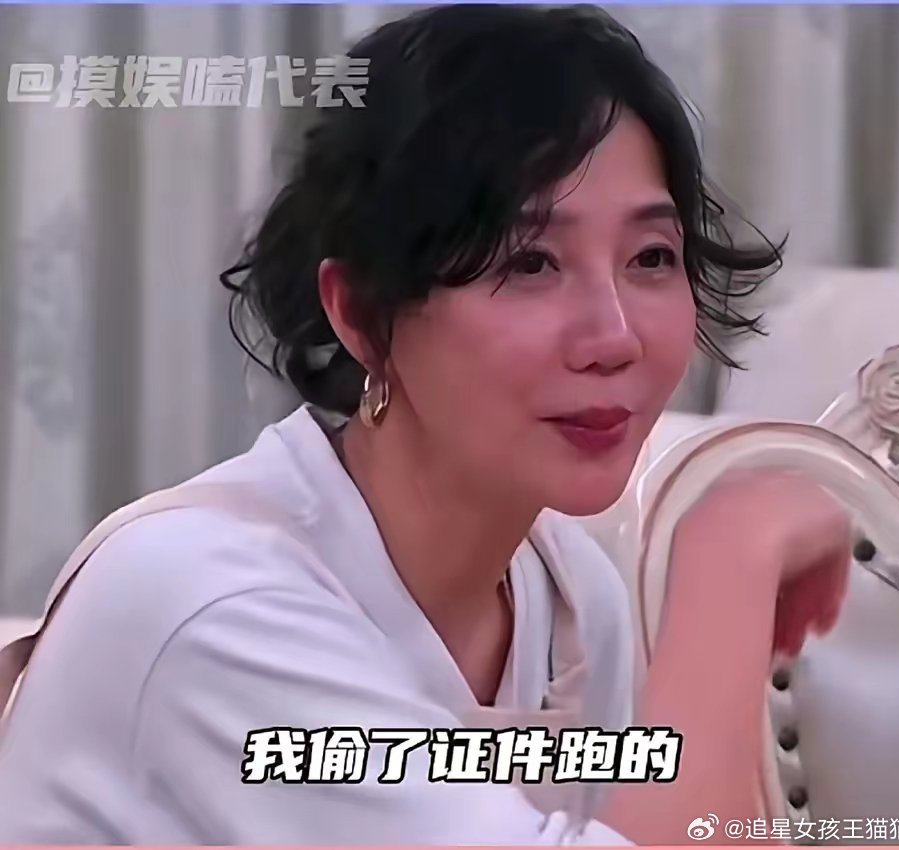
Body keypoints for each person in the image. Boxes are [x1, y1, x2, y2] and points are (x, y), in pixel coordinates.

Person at [0, 4, 853, 844]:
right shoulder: (211, 599)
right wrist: (731, 556)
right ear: (362, 314)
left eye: (651, 258)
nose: (616, 337)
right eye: (530, 262)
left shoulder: (567, 597)